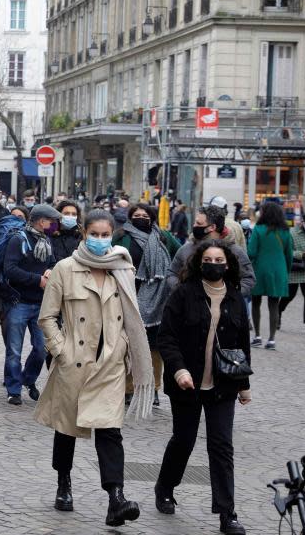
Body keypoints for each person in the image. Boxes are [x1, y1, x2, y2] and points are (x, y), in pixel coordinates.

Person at [34, 209, 153, 527]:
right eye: (94, 234)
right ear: (84, 234)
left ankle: (116, 498)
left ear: (112, 234)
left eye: (105, 235)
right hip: (75, 362)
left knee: (110, 432)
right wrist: (60, 351)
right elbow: (47, 317)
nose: (100, 240)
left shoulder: (122, 267)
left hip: (110, 364)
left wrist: (126, 348)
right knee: (67, 428)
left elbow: (131, 315)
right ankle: (64, 483)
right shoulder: (65, 269)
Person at [155, 240, 250, 535]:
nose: (213, 264)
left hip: (223, 384)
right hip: (187, 382)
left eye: (219, 259)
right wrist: (179, 369)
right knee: (184, 440)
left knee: (221, 446)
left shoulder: (234, 298)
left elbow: (242, 344)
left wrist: (244, 385)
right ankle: (165, 487)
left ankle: (227, 513)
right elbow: (166, 337)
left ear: (228, 264)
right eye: (208, 259)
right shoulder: (183, 294)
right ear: (199, 263)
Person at [112, 203, 181, 407]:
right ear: (130, 217)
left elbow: (181, 255)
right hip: (128, 293)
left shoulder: (163, 236)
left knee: (154, 347)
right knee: (128, 344)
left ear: (152, 218)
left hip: (158, 299)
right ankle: (128, 388)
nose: (141, 217)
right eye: (137, 215)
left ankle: (153, 388)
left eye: (145, 215)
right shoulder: (122, 235)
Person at [2, 204, 60, 405]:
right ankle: (13, 389)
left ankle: (28, 379)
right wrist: (37, 279)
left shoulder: (46, 240)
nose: (53, 225)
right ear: (41, 221)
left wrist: (50, 271)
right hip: (20, 302)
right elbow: (10, 269)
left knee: (41, 348)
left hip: (42, 304)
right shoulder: (19, 240)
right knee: (14, 350)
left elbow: (52, 262)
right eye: (50, 221)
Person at [166, 206, 255, 297]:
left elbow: (248, 279)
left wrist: (231, 296)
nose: (194, 226)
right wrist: (181, 290)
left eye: (198, 223)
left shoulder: (234, 251)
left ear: (212, 227)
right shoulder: (186, 249)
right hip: (189, 308)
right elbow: (171, 273)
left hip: (224, 309)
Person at [247, 201, 292, 350]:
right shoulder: (286, 232)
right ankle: (272, 339)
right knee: (274, 305)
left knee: (256, 302)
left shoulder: (259, 229)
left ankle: (258, 336)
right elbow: (289, 255)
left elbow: (251, 252)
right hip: (279, 270)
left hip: (260, 270)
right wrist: (286, 271)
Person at [278, 212, 305, 336]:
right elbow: (287, 251)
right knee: (289, 296)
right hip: (296, 270)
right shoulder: (292, 233)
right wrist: (301, 254)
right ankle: (278, 312)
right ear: (303, 222)